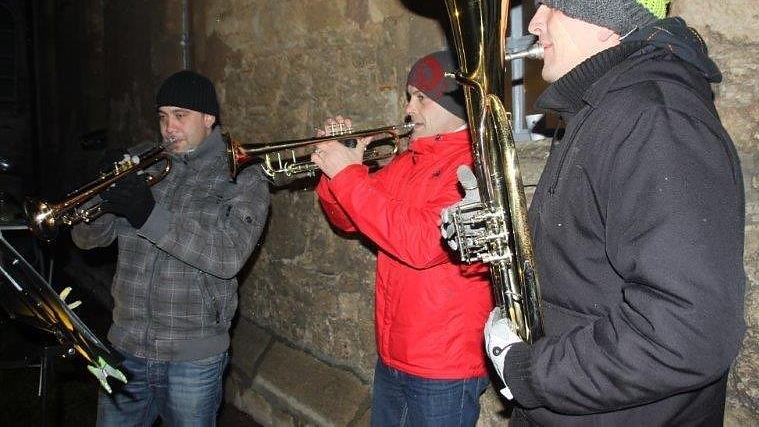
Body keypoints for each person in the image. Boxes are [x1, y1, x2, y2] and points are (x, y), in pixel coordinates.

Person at [478, 0, 746, 425]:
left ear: (606, 22)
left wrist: (531, 372)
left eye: (552, 6)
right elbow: (585, 264)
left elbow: (686, 331)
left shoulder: (656, 119)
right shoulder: (601, 111)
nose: (534, 23)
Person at [72, 70, 270, 426]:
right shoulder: (141, 161)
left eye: (181, 115)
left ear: (208, 118)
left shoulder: (242, 175)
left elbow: (227, 257)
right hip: (126, 344)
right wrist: (101, 193)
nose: (169, 128)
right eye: (163, 116)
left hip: (192, 357)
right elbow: (86, 239)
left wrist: (147, 214)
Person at [313, 51, 494, 426]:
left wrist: (348, 176)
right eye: (409, 96)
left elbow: (423, 244)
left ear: (454, 104)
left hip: (443, 365)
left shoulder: (474, 167)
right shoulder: (407, 161)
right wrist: (336, 174)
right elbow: (348, 219)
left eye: (421, 98)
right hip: (395, 353)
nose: (409, 109)